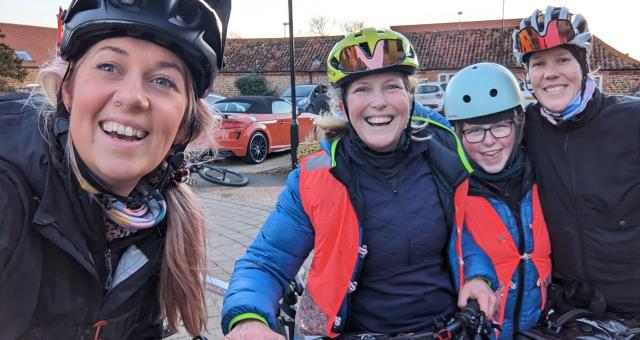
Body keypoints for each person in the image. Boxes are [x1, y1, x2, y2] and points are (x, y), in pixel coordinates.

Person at [221, 27, 494, 339]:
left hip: (447, 329)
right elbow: (266, 262)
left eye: (392, 86)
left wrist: (478, 276)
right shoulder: (314, 177)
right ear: (343, 105)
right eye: (362, 89)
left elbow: (469, 233)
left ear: (410, 96)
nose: (378, 102)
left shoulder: (444, 154)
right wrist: (248, 318)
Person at [0, 0, 230, 338]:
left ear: (182, 127)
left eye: (164, 81)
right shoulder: (9, 198)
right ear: (68, 91)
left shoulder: (153, 226)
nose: (132, 96)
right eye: (109, 66)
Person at [512, 5, 640, 337]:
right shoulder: (526, 130)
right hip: (572, 312)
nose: (550, 73)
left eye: (563, 60)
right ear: (528, 76)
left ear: (582, 66)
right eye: (538, 64)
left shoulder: (631, 121)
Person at [444, 62, 552, 339]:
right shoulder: (451, 190)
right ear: (458, 133)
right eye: (474, 131)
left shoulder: (542, 177)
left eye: (500, 127)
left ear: (517, 125)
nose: (488, 141)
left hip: (536, 327)